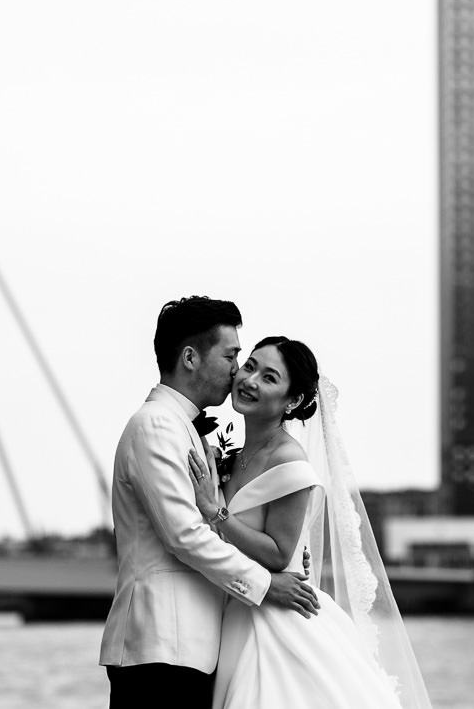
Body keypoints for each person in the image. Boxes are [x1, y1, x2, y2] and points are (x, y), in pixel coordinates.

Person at [185, 336, 434, 709]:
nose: (250, 380)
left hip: (273, 618)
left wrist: (213, 510)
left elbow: (279, 552)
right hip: (237, 607)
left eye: (270, 378)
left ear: (293, 401)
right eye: (250, 366)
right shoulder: (234, 456)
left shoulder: (289, 460)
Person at [99, 297, 321, 709]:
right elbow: (184, 534)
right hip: (161, 646)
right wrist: (268, 584)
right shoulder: (156, 426)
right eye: (233, 356)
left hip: (195, 648)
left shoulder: (188, 431)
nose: (238, 371)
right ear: (190, 358)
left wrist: (288, 559)